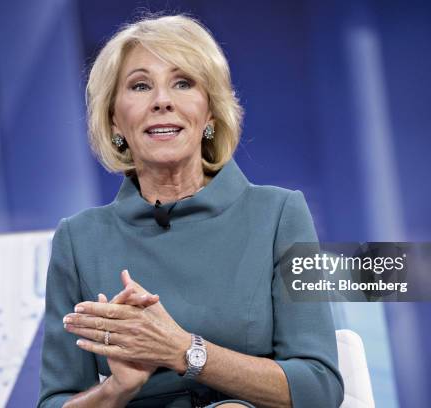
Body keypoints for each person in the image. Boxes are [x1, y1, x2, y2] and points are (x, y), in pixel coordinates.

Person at [37, 14, 344, 408]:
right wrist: (117, 388)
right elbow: (54, 401)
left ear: (210, 114)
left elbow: (320, 387)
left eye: (183, 83)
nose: (162, 100)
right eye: (140, 85)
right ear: (115, 120)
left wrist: (183, 350)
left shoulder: (280, 214)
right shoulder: (79, 240)